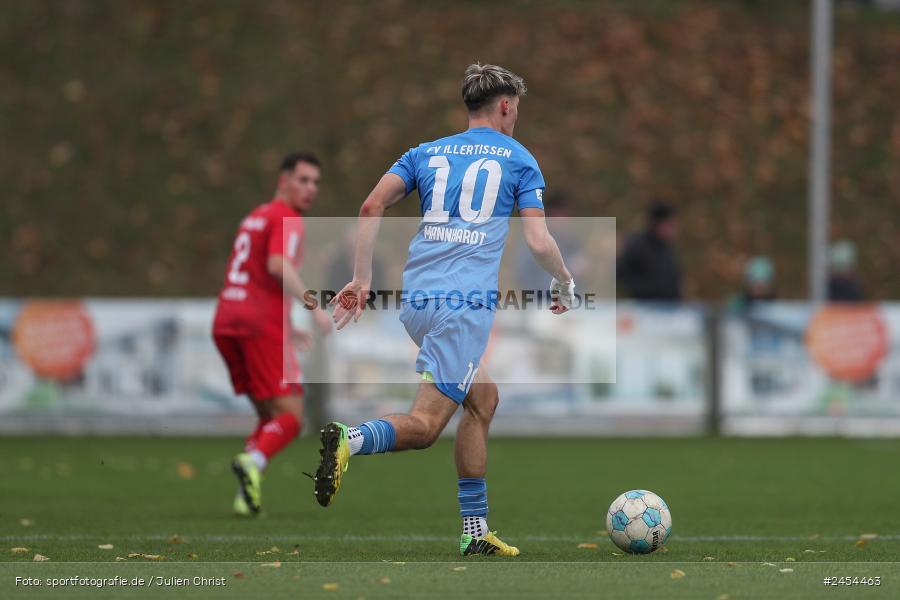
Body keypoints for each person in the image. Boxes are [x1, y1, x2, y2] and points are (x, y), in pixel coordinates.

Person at [311, 64, 575, 557]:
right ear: (503, 106)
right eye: (515, 108)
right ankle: (353, 438)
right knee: (428, 426)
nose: (516, 116)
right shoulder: (520, 160)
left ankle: (475, 533)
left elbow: (371, 207)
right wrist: (565, 280)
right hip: (463, 308)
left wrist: (363, 279)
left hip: (417, 303)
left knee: (484, 398)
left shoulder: (424, 152)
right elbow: (539, 242)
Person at [212, 152, 332, 516]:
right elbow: (276, 265)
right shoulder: (288, 218)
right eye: (303, 180)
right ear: (283, 181)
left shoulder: (256, 216)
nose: (310, 189)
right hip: (258, 323)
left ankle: (246, 494)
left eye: (315, 182)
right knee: (293, 417)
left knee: (269, 417)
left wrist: (287, 325)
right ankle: (254, 463)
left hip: (227, 320)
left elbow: (253, 275)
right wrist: (314, 307)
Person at [616, 202, 681, 300]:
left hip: (669, 307)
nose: (673, 229)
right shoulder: (636, 246)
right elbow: (621, 274)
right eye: (670, 225)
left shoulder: (667, 247)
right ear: (659, 224)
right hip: (644, 308)